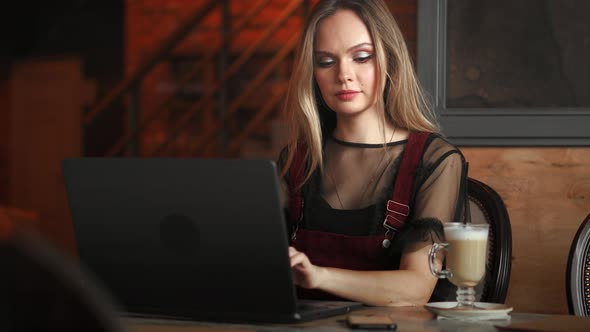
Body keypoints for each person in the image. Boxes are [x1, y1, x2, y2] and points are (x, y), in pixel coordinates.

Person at [277, 0, 467, 307]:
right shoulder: (295, 161)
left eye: (362, 57)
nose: (344, 74)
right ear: (312, 74)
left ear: (390, 59)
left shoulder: (435, 161)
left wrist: (320, 276)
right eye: (326, 62)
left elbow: (416, 289)